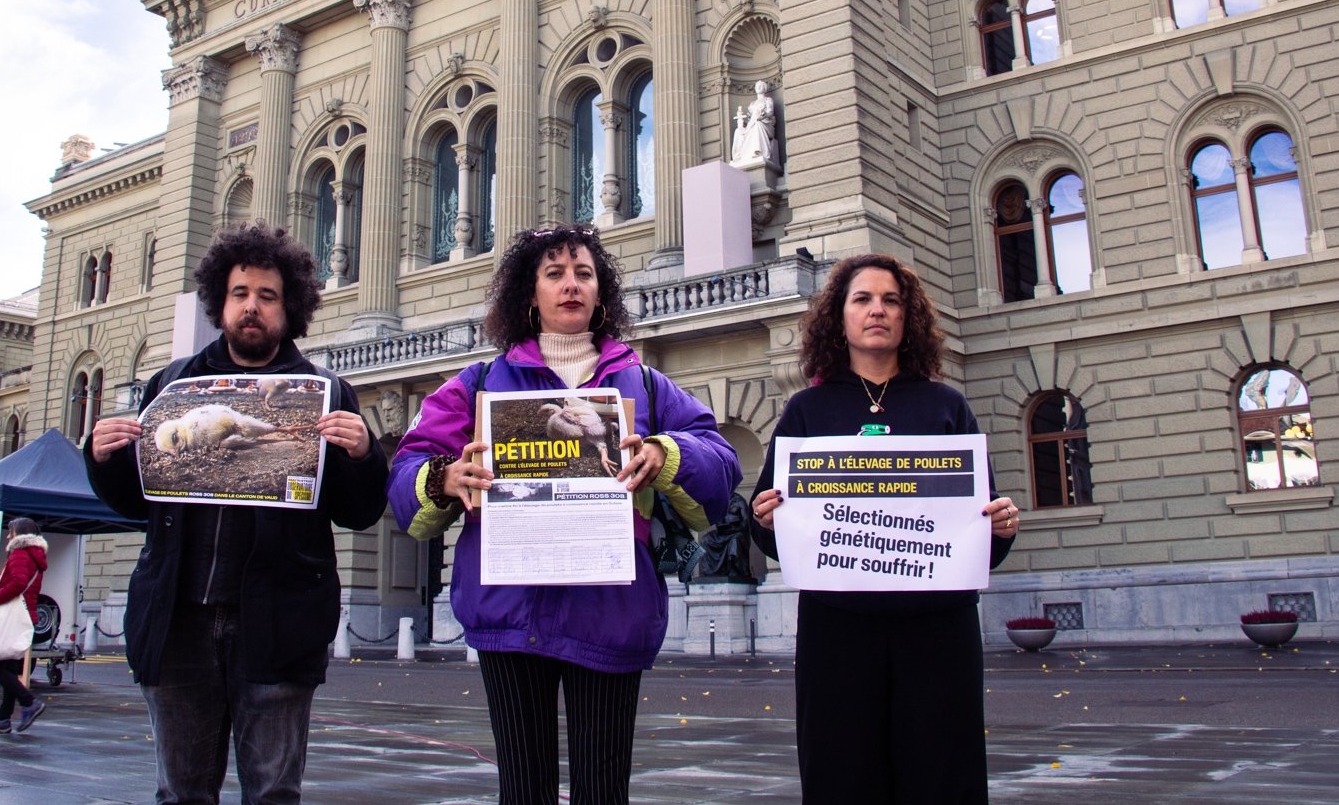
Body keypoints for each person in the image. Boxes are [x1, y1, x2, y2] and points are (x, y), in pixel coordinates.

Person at [388, 224, 741, 805]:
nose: (570, 285)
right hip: (510, 614)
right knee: (522, 791)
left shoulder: (645, 385)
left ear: (601, 293)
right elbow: (407, 467)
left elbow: (721, 461)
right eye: (554, 274)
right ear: (530, 294)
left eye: (583, 274)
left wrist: (666, 453)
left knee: (603, 792)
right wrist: (444, 477)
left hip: (611, 612)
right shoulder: (480, 382)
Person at [86, 223, 389, 805]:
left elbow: (359, 511)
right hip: (178, 624)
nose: (252, 307)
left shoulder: (325, 392)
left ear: (290, 307)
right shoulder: (171, 385)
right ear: (219, 303)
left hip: (277, 626)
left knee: (273, 793)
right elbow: (135, 501)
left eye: (267, 296)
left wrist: (362, 455)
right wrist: (102, 459)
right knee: (181, 793)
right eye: (240, 293)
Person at [749, 252, 1019, 804]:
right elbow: (771, 535)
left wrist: (1001, 527)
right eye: (863, 299)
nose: (878, 310)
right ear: (839, 316)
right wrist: (766, 518)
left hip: (938, 634)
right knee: (841, 779)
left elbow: (980, 542)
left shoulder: (948, 407)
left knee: (943, 778)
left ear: (907, 316)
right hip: (838, 635)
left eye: (891, 300)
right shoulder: (806, 411)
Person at [0, 517, 48, 734]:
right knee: (8, 668)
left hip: (12, 617)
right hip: (25, 615)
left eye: (11, 532)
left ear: (19, 534)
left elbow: (17, 583)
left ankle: (29, 702)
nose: (8, 536)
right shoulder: (36, 555)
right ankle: (3, 718)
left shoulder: (20, 553)